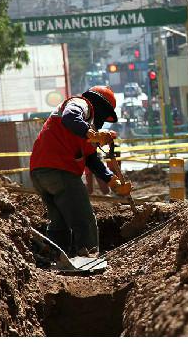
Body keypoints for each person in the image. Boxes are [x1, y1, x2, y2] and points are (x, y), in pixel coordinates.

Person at [29, 86, 131, 257]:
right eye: (104, 116)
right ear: (100, 106)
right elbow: (70, 117)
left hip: (40, 173)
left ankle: (52, 258)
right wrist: (94, 134)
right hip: (60, 171)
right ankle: (89, 256)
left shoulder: (83, 129)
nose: (102, 121)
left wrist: (112, 181)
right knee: (84, 220)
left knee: (59, 222)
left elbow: (91, 159)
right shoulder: (81, 104)